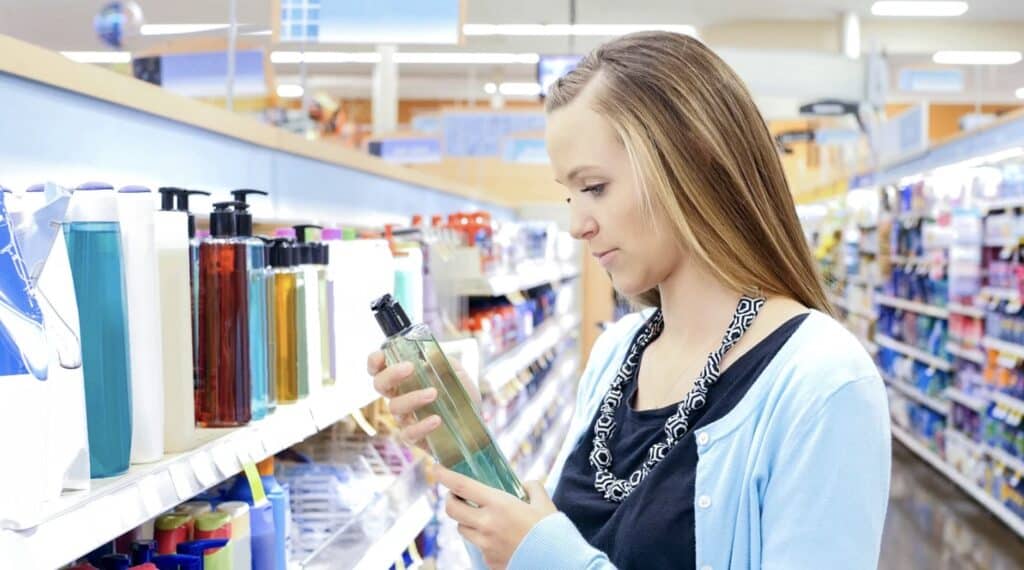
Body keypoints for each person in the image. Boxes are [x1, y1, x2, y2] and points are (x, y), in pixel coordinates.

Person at [367, 31, 890, 570]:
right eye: (568, 195)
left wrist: (551, 558)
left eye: (593, 187)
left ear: (692, 160)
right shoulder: (617, 354)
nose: (576, 224)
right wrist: (466, 442)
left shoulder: (823, 383)